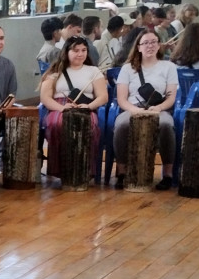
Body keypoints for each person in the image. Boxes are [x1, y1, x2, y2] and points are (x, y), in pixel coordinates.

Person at [114, 30, 177, 190]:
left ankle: (168, 173)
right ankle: (121, 172)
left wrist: (159, 107)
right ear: (139, 47)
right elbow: (121, 99)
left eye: (154, 42)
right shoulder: (128, 69)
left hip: (158, 109)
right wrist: (135, 110)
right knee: (121, 125)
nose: (150, 46)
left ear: (159, 45)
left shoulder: (169, 67)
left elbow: (171, 97)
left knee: (166, 125)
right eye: (146, 43)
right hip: (133, 108)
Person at [40, 37, 105, 185]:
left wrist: (89, 106)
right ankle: (61, 170)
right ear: (66, 52)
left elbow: (103, 96)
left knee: (92, 127)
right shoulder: (56, 71)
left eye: (83, 50)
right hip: (59, 106)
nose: (80, 54)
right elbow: (45, 97)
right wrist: (62, 108)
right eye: (75, 50)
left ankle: (86, 170)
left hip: (85, 106)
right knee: (56, 125)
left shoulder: (93, 71)